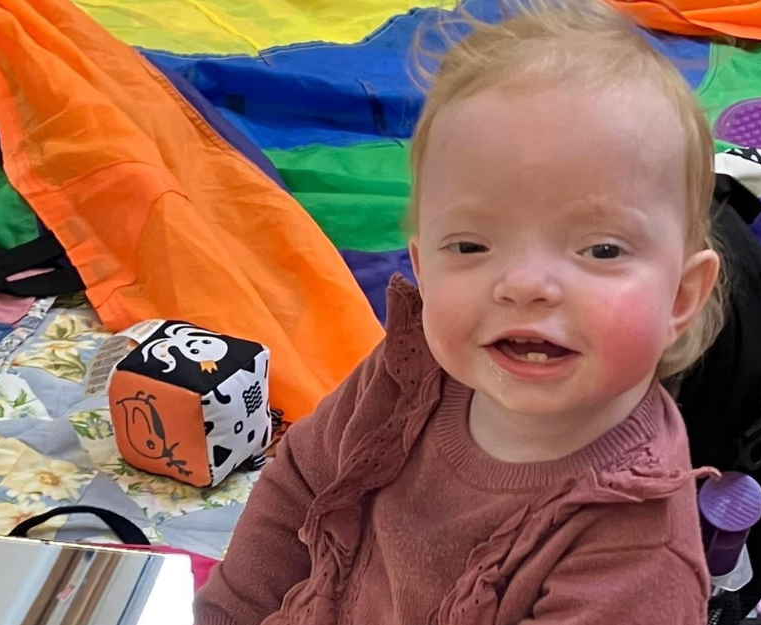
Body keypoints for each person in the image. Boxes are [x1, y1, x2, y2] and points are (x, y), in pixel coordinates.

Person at [194, 1, 724, 622]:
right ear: (422, 266)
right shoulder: (407, 375)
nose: (524, 286)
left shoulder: (637, 555)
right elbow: (296, 491)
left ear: (681, 298)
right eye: (471, 246)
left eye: (600, 249)